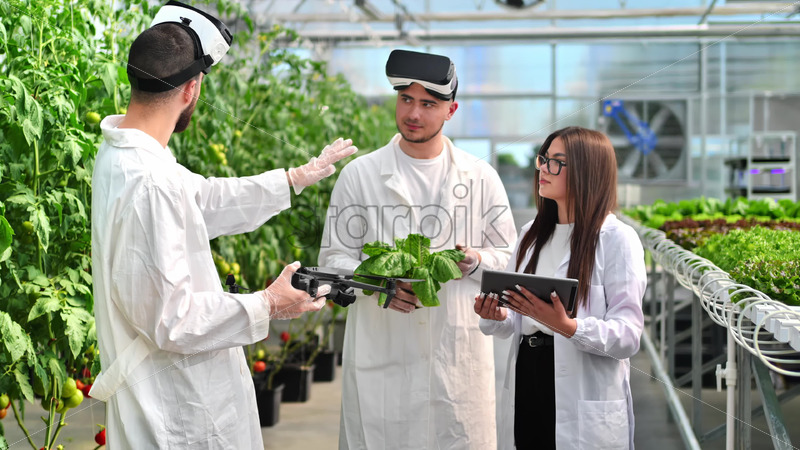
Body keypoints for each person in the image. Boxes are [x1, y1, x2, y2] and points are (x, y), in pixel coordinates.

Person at [89, 2, 357, 448]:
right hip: (176, 414)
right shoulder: (151, 181)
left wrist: (293, 179)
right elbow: (174, 321)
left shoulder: (123, 156)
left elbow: (202, 198)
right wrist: (267, 303)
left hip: (173, 395)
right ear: (191, 89)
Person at [319, 49, 517, 449]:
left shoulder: (480, 177)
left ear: (451, 110)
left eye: (428, 104)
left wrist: (474, 261)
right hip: (384, 357)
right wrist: (378, 285)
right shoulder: (361, 175)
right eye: (406, 100)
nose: (413, 113)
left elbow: (509, 256)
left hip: (455, 357)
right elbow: (333, 261)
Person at [474, 126, 646, 450]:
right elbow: (517, 319)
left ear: (586, 170)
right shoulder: (531, 234)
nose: (542, 168)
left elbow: (628, 335)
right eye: (543, 159)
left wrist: (568, 327)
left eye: (556, 162)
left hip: (581, 391)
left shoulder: (617, 239)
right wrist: (497, 314)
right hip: (529, 378)